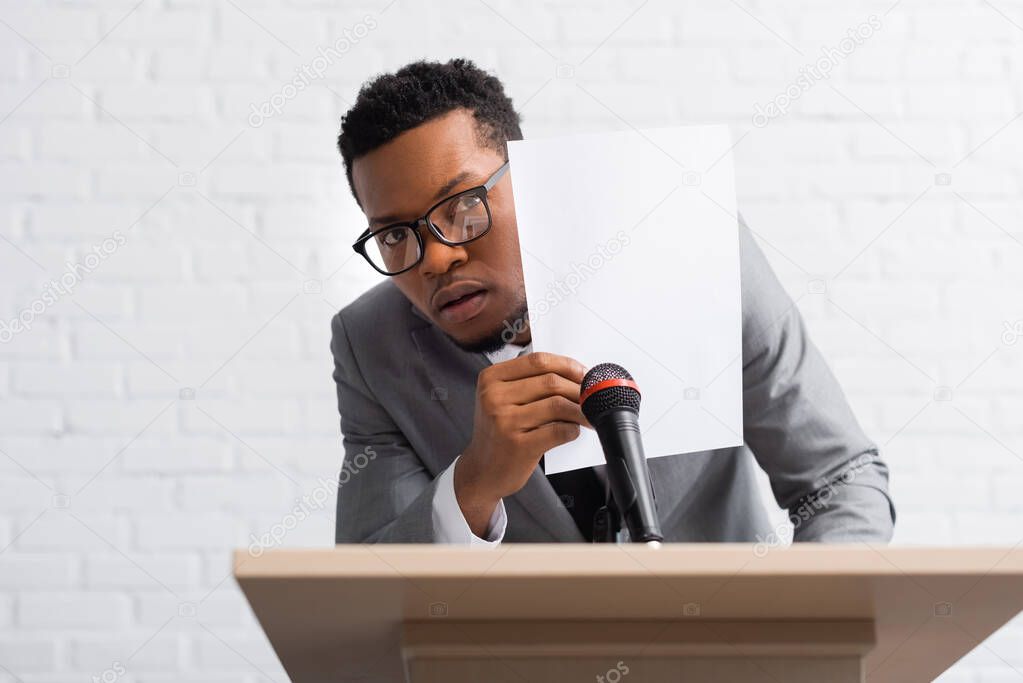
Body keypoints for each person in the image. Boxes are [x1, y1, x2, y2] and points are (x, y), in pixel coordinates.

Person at [329, 58, 895, 545]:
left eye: (461, 206)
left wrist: (805, 638)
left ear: (529, 177)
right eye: (395, 235)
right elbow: (369, 584)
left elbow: (839, 479)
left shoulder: (698, 253)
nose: (434, 259)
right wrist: (473, 484)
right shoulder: (371, 344)